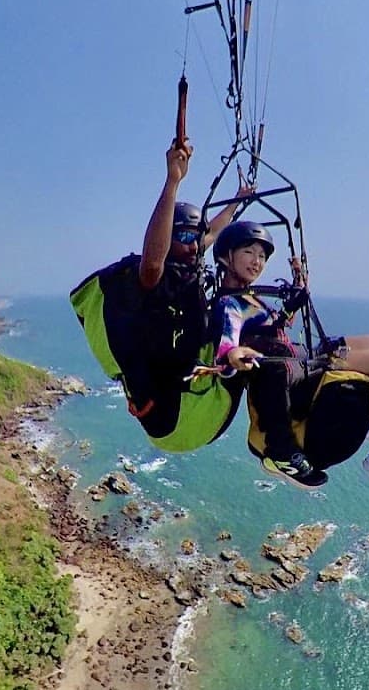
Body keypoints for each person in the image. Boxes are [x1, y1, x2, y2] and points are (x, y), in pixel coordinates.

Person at [212, 221, 369, 495]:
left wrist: (299, 287)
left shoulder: (250, 298)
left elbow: (275, 327)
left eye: (262, 256)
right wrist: (235, 356)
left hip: (299, 358)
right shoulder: (230, 303)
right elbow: (227, 351)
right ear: (226, 256)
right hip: (294, 372)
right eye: (249, 252)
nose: (257, 262)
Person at [69, 133, 245, 451]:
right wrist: (173, 181)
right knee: (235, 316)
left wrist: (237, 200)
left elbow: (213, 231)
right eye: (184, 236)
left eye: (196, 237)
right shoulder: (150, 279)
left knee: (239, 330)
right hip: (170, 416)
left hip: (185, 417)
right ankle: (279, 445)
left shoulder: (189, 259)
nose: (193, 244)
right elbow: (152, 261)